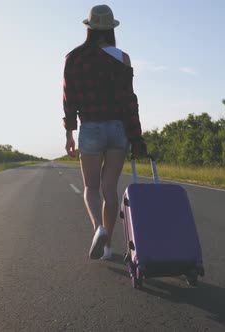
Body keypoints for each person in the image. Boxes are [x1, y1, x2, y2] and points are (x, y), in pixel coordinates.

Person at [62, 4, 147, 260]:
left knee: (91, 186)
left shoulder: (74, 58)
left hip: (90, 127)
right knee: (110, 188)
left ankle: (98, 228)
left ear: (89, 28)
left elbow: (69, 99)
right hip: (118, 129)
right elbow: (130, 101)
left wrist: (69, 132)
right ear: (111, 29)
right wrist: (136, 137)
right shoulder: (122, 58)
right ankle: (108, 247)